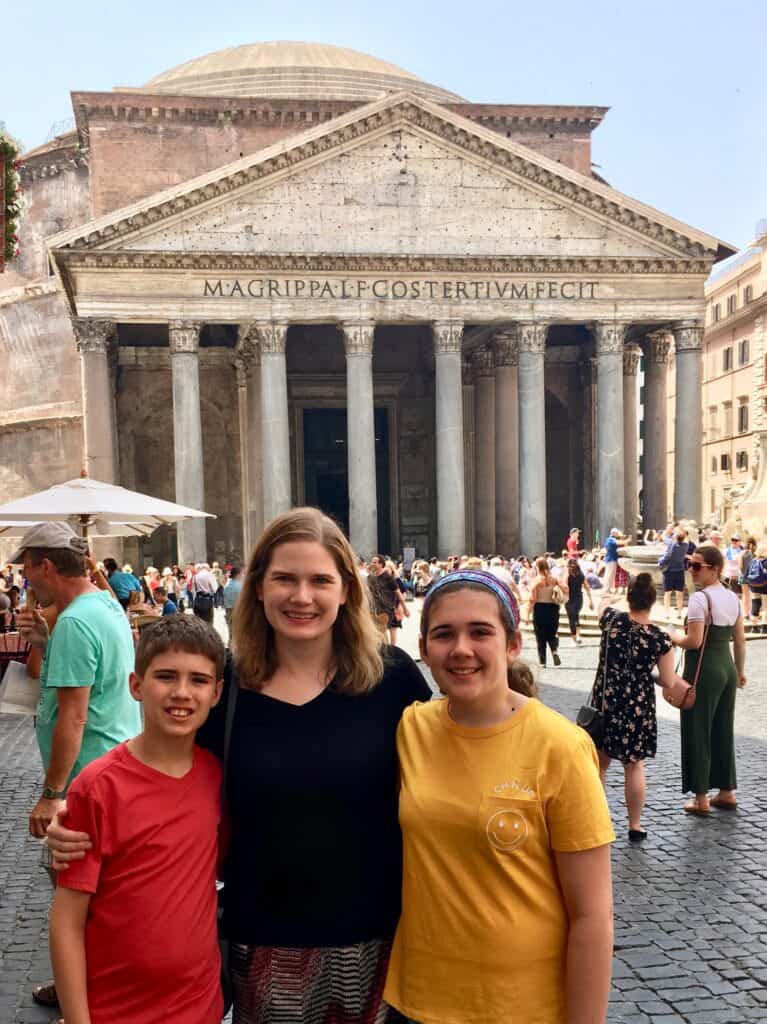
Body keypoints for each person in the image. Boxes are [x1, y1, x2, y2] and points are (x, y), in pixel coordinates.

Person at [50, 508, 431, 1024]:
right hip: (264, 943)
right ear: (257, 588)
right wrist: (76, 815)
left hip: (383, 938)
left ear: (346, 591)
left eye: (320, 580)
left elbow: (450, 765)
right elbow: (156, 771)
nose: (302, 596)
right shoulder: (224, 686)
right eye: (284, 579)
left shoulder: (393, 679)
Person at [384, 570, 614, 1024]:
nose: (461, 649)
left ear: (511, 644)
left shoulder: (561, 747)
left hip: (521, 1007)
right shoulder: (411, 727)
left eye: (480, 632)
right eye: (444, 634)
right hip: (415, 1000)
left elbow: (592, 917)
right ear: (425, 650)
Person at [49, 616, 225, 1024]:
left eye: (198, 680)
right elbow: (67, 920)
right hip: (116, 1009)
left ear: (216, 693)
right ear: (136, 686)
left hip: (199, 1007)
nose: (182, 692)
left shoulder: (217, 776)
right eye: (166, 676)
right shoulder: (98, 787)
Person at [13, 522, 141, 1013]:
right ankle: (77, 985)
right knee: (92, 896)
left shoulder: (77, 621)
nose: (26, 579)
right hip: (109, 765)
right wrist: (45, 640)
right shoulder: (100, 604)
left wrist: (52, 793)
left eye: (27, 567)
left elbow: (74, 713)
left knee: (81, 900)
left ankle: (85, 1000)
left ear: (46, 564)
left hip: (88, 780)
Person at [594, 575, 690, 841]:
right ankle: (635, 825)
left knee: (600, 765)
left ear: (629, 597)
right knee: (634, 765)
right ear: (652, 601)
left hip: (607, 703)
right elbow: (669, 681)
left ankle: (598, 820)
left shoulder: (612, 620)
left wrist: (610, 595)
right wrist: (646, 674)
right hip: (637, 707)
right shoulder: (659, 638)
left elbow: (601, 605)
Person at [669, 544, 746, 815]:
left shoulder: (700, 599)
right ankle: (726, 792)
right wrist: (740, 671)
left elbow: (694, 641)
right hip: (725, 666)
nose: (692, 570)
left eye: (697, 566)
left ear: (714, 570)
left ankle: (700, 797)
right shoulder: (732, 598)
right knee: (723, 728)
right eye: (691, 564)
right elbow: (740, 639)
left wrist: (671, 636)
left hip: (703, 669)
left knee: (697, 728)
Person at [526, 556, 562, 667]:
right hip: (553, 608)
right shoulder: (554, 579)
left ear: (537, 567)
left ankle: (542, 661)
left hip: (540, 608)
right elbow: (563, 588)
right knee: (551, 633)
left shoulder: (536, 581)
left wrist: (527, 614)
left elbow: (532, 599)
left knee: (540, 635)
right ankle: (554, 651)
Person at [368, 553, 409, 645]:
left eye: (375, 562)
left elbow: (398, 593)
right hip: (374, 609)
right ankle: (384, 650)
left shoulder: (388, 578)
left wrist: (404, 608)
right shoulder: (370, 578)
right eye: (372, 562)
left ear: (381, 564)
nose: (372, 564)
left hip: (386, 609)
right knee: (378, 632)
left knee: (381, 630)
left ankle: (385, 651)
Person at [659, 528, 689, 621]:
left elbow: (663, 536)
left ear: (675, 537)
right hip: (680, 571)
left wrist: (669, 529)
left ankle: (666, 613)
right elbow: (686, 538)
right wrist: (682, 531)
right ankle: (679, 613)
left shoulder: (672, 544)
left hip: (669, 571)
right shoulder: (685, 546)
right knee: (679, 593)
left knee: (667, 593)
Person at [564, 557, 593, 645]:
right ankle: (578, 636)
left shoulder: (567, 574)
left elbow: (565, 587)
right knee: (576, 616)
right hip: (579, 598)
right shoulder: (581, 574)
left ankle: (574, 638)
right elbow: (587, 587)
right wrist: (591, 600)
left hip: (569, 599)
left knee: (571, 619)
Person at [223, 566, 243, 638]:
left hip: (228, 609)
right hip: (237, 610)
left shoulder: (227, 584)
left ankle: (231, 646)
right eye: (242, 574)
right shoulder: (240, 585)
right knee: (238, 632)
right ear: (238, 575)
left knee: (231, 632)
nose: (242, 575)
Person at [603, 527, 622, 593]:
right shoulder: (611, 539)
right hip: (611, 559)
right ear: (613, 533)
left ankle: (608, 589)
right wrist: (627, 540)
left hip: (611, 558)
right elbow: (618, 543)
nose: (617, 534)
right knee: (609, 574)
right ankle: (607, 589)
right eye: (616, 533)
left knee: (611, 574)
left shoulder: (608, 539)